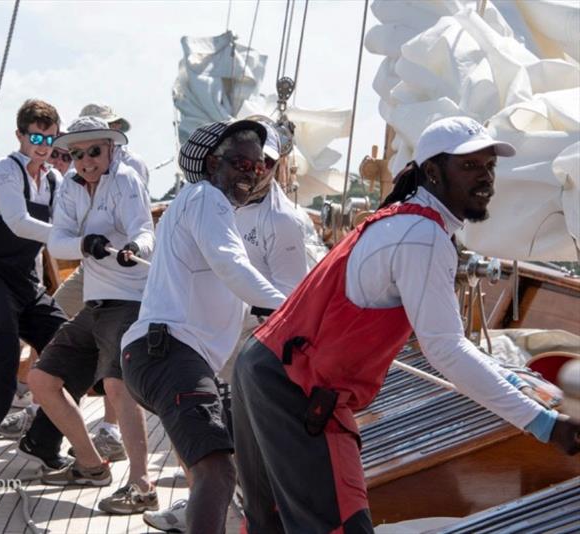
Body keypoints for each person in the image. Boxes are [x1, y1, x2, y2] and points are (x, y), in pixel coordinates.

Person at [231, 116, 580, 533]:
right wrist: (544, 425)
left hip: (263, 369)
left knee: (271, 524)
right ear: (432, 172)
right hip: (297, 387)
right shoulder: (422, 236)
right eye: (469, 167)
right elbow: (445, 349)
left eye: (489, 166)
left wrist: (506, 376)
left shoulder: (401, 220)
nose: (485, 177)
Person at [142, 118, 318, 532]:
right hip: (203, 347)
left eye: (262, 165)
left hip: (250, 354)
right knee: (214, 454)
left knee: (237, 455)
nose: (255, 172)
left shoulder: (284, 221)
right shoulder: (211, 201)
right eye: (244, 162)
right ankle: (214, 509)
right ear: (213, 164)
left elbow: (290, 295)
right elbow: (224, 266)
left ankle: (234, 515)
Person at [23, 116, 159, 515]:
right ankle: (89, 463)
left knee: (118, 389)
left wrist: (135, 246)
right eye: (76, 154)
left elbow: (146, 231)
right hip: (95, 304)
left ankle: (142, 485)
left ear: (111, 150)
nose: (85, 161)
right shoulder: (69, 187)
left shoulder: (127, 181)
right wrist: (87, 244)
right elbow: (58, 242)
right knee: (41, 379)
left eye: (94, 151)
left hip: (129, 301)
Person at [0, 99, 67, 483]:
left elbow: (72, 220)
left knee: (71, 348)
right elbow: (19, 223)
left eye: (50, 137)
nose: (42, 144)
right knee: (3, 353)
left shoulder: (55, 180)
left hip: (26, 281)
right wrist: (76, 238)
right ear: (20, 135)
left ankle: (43, 439)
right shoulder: (4, 172)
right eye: (35, 136)